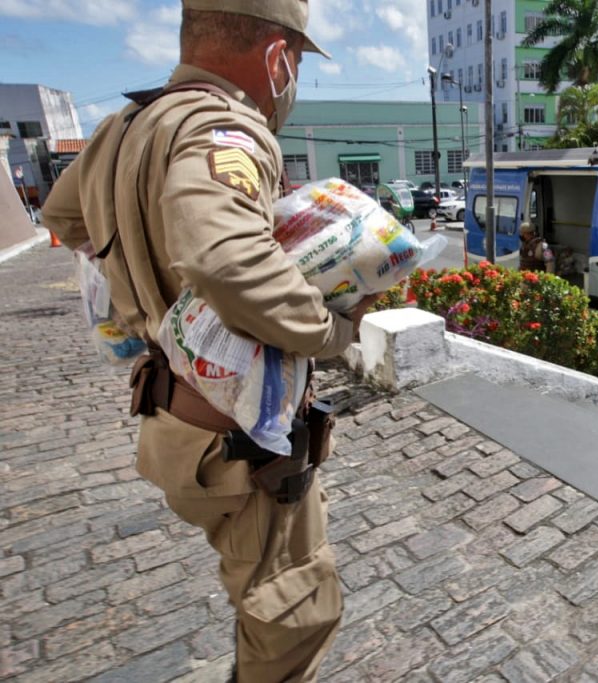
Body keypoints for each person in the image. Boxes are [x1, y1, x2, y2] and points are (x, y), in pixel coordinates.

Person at [42, 2, 379, 680]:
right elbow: (226, 260)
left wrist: (148, 289)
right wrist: (330, 329)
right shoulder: (225, 128)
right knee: (294, 609)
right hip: (235, 443)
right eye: (298, 67)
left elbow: (64, 215)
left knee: (259, 595)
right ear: (277, 57)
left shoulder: (122, 126)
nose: (293, 84)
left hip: (174, 421)